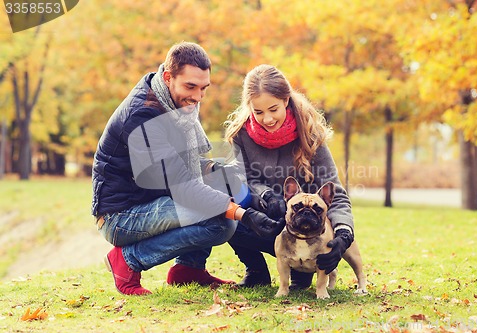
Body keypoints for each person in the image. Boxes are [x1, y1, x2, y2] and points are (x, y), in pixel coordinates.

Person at [91, 43, 284, 295]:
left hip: (154, 199)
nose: (198, 96)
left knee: (223, 181)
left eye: (204, 88)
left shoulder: (174, 102)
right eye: (190, 87)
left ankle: (188, 269)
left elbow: (183, 166)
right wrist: (243, 215)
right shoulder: (143, 116)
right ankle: (127, 260)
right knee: (222, 223)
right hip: (121, 216)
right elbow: (184, 186)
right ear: (168, 77)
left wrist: (222, 172)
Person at [224, 64, 357, 289]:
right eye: (258, 112)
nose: (267, 119)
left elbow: (334, 190)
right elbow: (240, 180)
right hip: (262, 222)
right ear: (249, 108)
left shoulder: (310, 135)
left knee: (304, 274)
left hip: (305, 229)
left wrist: (344, 233)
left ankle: (301, 271)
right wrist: (267, 196)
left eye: (273, 109)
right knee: (225, 210)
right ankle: (255, 270)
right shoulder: (241, 135)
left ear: (286, 100)